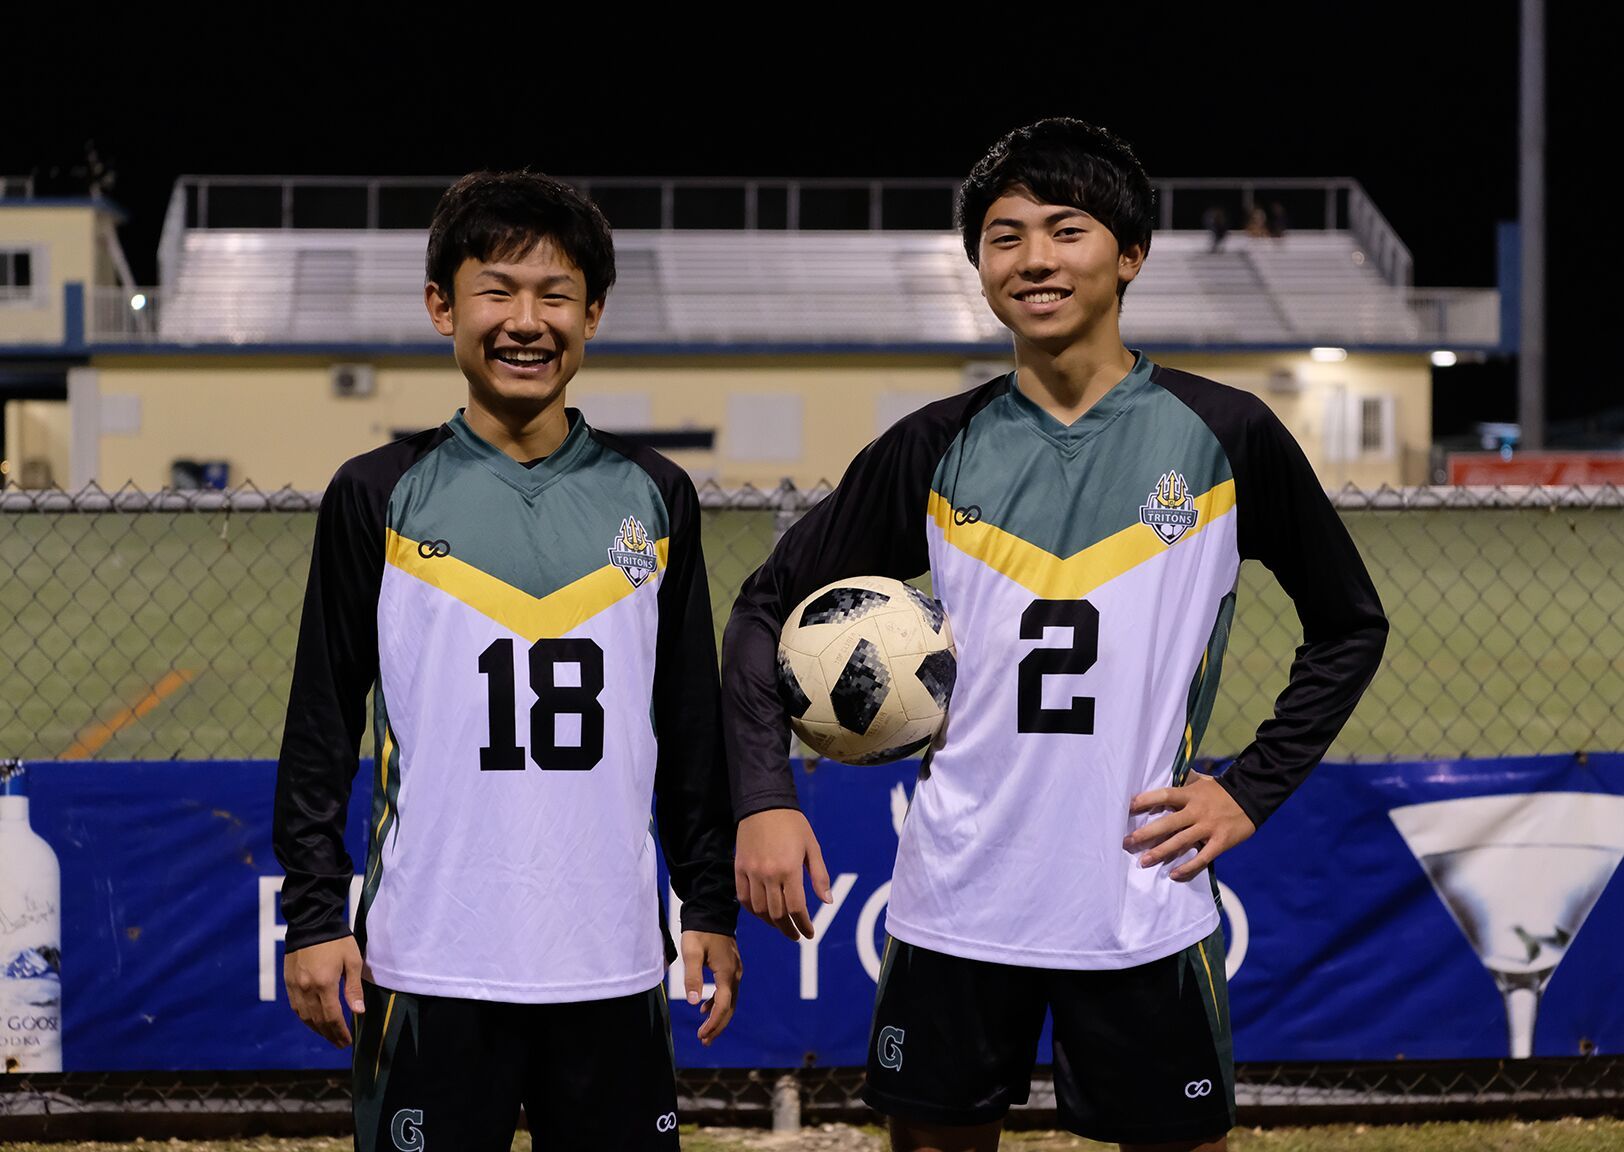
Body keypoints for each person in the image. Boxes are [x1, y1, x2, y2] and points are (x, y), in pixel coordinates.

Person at [723, 119, 1387, 1152]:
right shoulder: (933, 447)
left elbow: (1348, 625)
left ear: (1128, 256)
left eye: (1064, 229)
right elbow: (764, 605)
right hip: (955, 899)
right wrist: (764, 798)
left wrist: (1249, 786)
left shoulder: (1226, 436)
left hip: (1140, 898)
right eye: (1002, 236)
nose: (1032, 258)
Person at [274, 170, 740, 1151]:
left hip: (609, 955)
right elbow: (322, 720)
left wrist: (708, 901)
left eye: (554, 294)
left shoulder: (655, 495)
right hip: (428, 954)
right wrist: (315, 917)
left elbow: (690, 722)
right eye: (497, 290)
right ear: (443, 304)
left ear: (594, 312)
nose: (525, 322)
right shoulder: (377, 493)